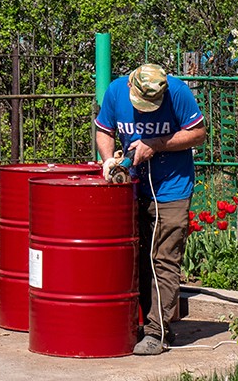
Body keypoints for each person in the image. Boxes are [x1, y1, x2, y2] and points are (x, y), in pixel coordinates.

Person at [95, 63, 206, 356]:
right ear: (131, 86)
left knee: (163, 260)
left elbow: (198, 134)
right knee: (137, 258)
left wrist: (155, 144)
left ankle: (158, 332)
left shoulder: (178, 92)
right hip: (132, 188)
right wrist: (108, 160)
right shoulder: (116, 91)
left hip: (171, 190)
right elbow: (103, 129)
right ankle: (140, 322)